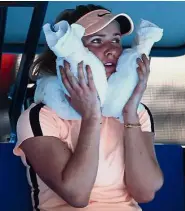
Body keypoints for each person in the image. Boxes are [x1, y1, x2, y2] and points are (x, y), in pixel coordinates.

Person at [14, 4, 164, 211]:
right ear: (74, 53)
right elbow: (77, 194)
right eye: (96, 41)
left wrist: (130, 114)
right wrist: (91, 117)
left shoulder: (138, 114)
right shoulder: (40, 116)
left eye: (116, 40)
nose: (111, 49)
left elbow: (145, 192)